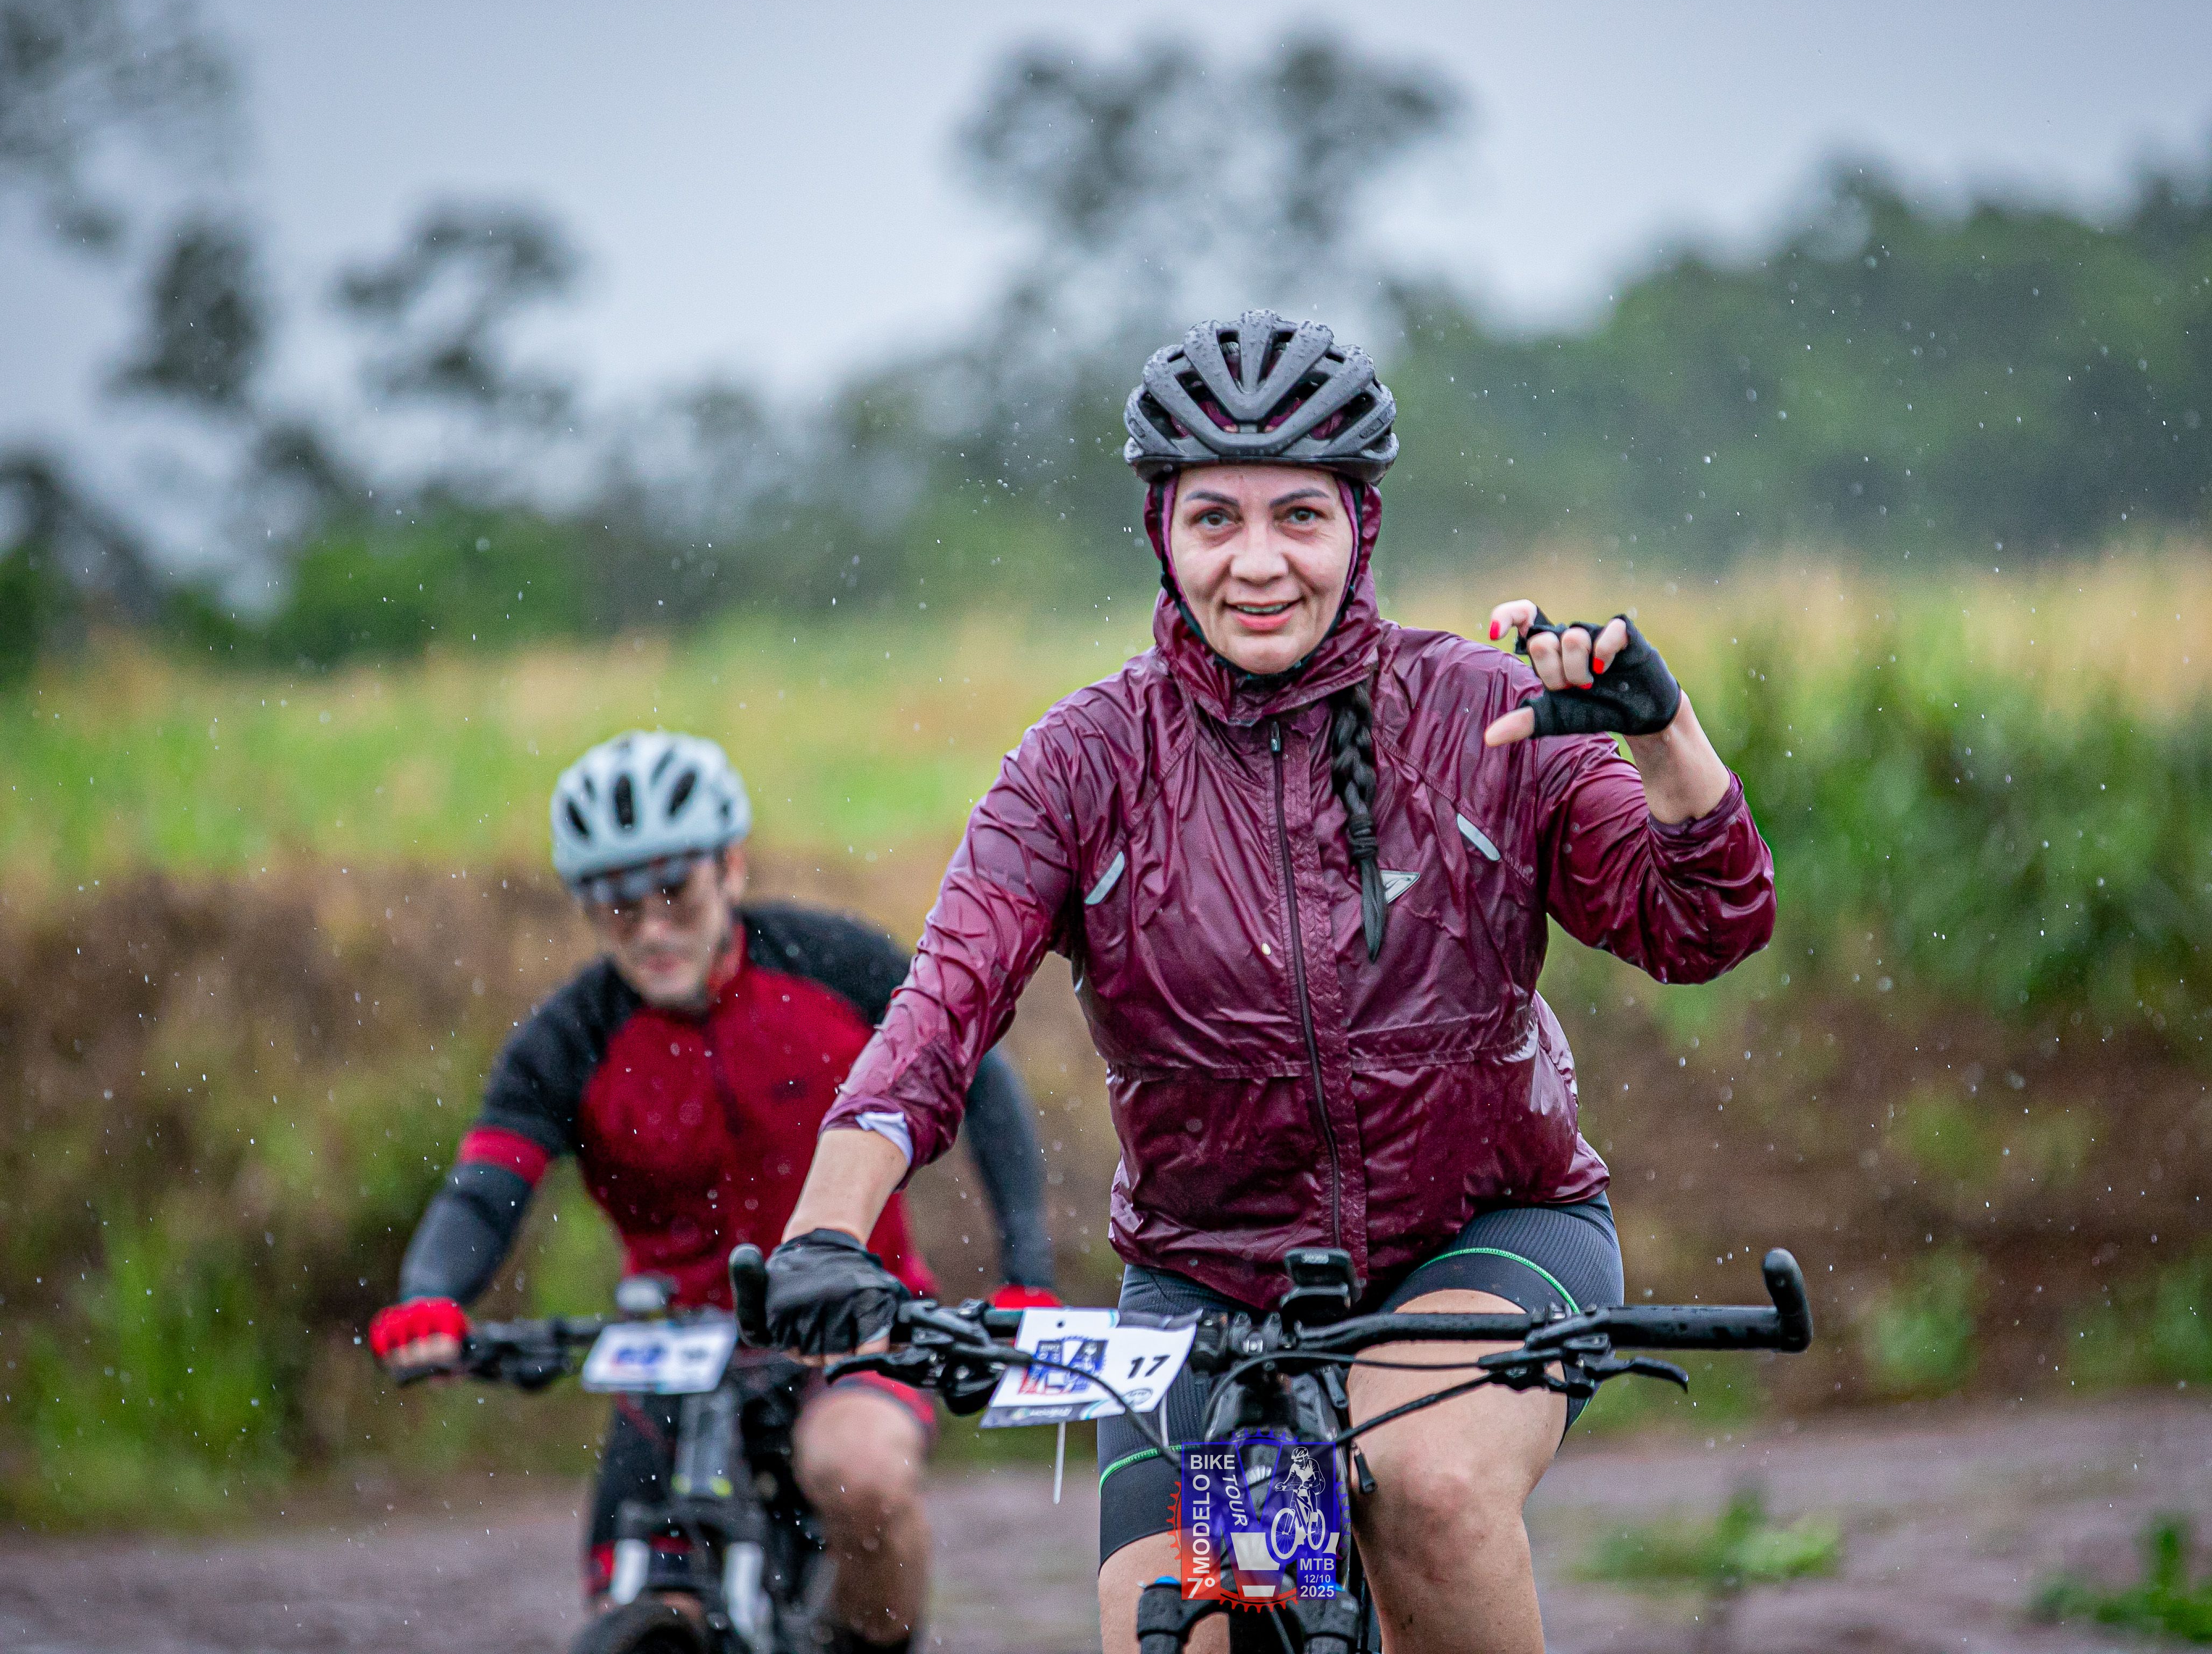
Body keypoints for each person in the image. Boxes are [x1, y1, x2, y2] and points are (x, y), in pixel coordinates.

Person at [753, 312, 1776, 1654]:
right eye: (1214, 519)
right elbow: (940, 1006)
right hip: (1212, 1290)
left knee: (1424, 1487)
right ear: (1161, 534)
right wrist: (827, 1232)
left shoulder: (1485, 713)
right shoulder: (1083, 762)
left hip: (1485, 1236)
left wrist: (1666, 738)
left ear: (1359, 523)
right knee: (1184, 1628)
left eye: (1298, 515)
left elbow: (1702, 929)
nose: (1257, 562)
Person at [367, 730, 1059, 1654]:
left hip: (853, 1320)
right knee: (642, 1618)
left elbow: (986, 1086)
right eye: (618, 907)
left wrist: (1026, 1272)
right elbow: (486, 1191)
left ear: (731, 867)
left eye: (675, 893)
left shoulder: (835, 963)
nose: (652, 930)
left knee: (858, 1474)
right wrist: (430, 1296)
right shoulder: (568, 1038)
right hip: (672, 1351)